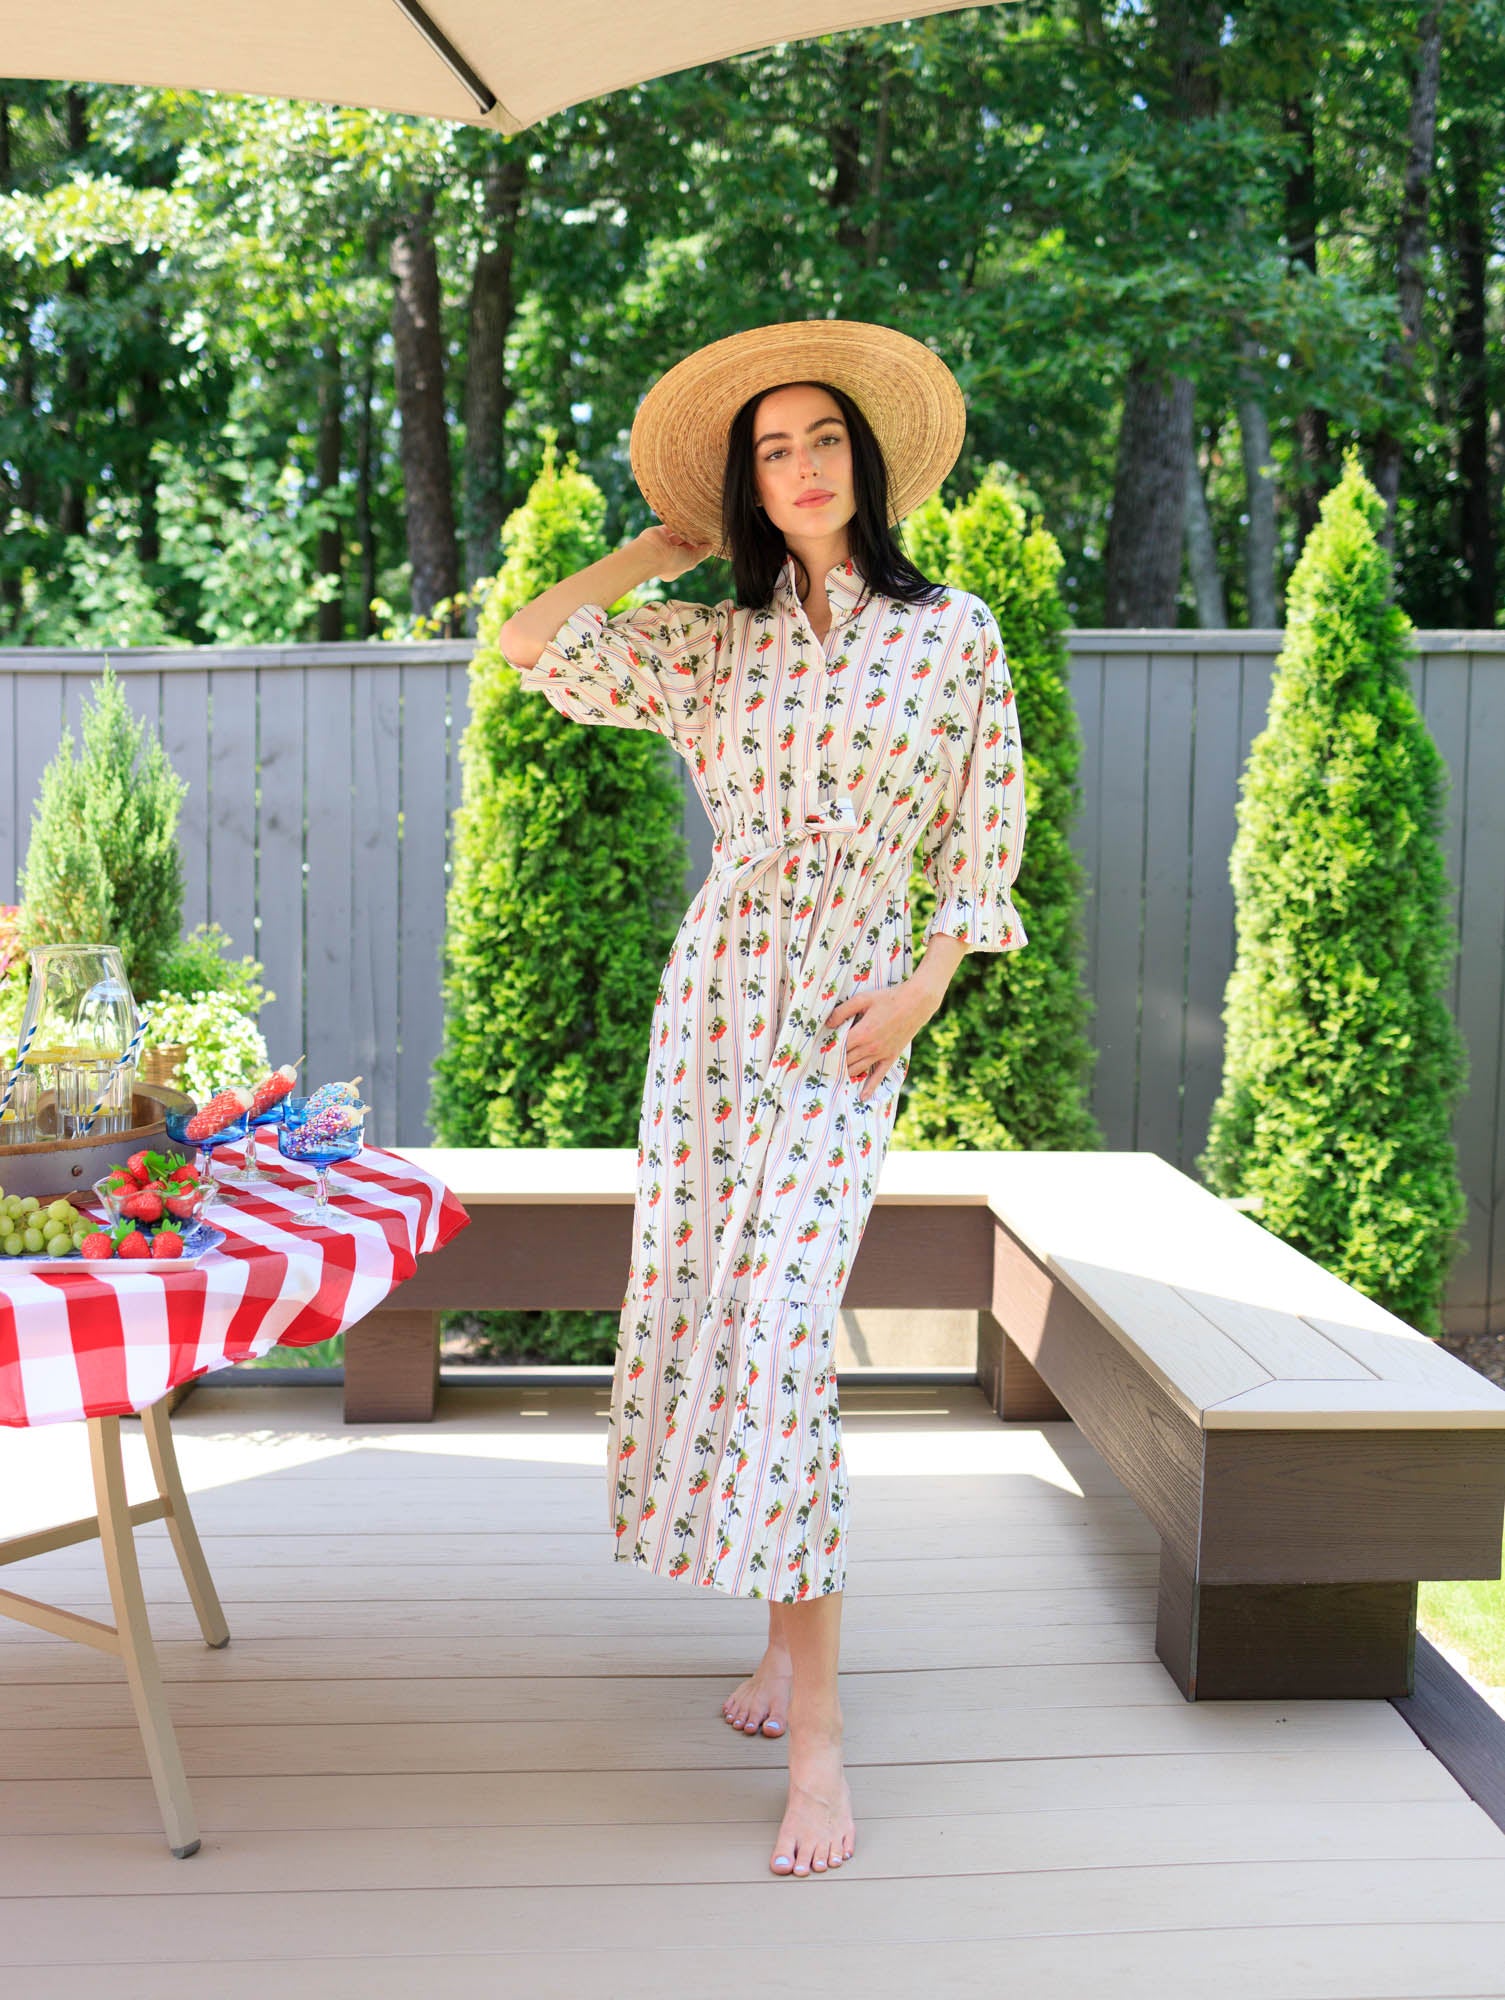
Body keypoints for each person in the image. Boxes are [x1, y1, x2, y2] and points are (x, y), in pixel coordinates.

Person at [498, 319, 1028, 1880]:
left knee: (787, 1335)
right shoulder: (710, 639)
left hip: (849, 1019)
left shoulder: (954, 636)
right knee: (725, 1313)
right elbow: (530, 645)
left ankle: (820, 1744)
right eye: (768, 452)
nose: (797, 468)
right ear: (749, 485)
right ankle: (779, 1650)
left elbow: (981, 834)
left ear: (865, 462)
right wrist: (645, 550)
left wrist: (929, 985)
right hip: (716, 1003)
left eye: (820, 441)